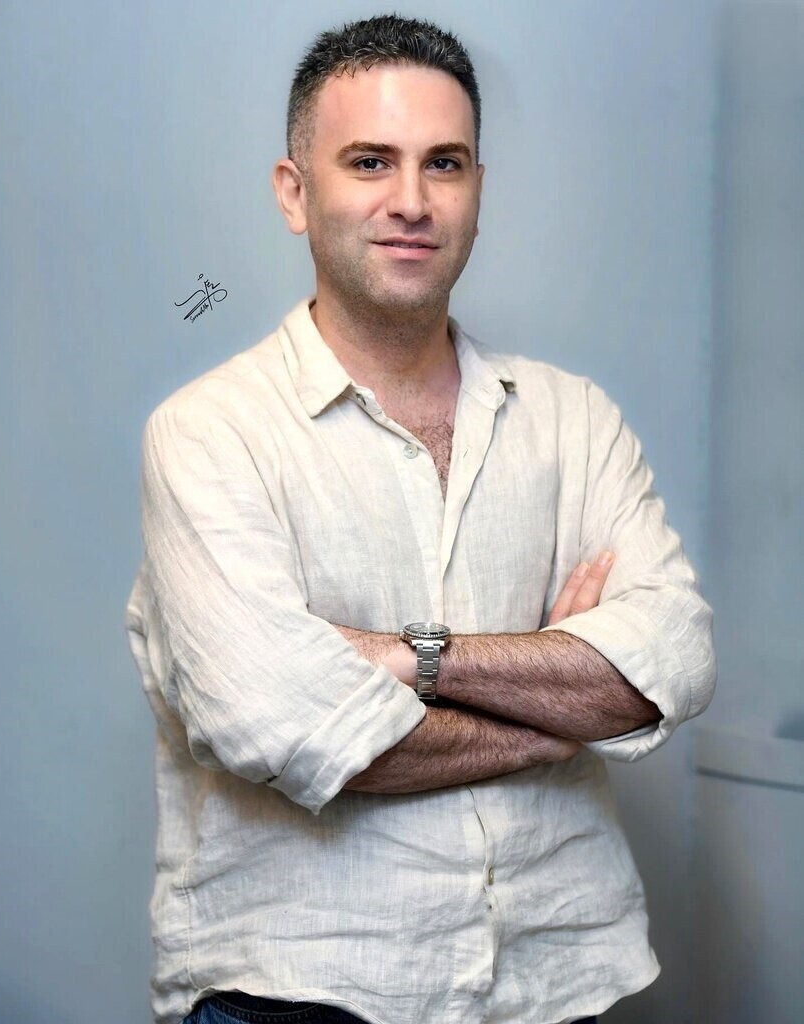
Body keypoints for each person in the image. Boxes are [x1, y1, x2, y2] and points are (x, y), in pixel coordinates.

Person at [125, 14, 715, 1024]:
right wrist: (560, 711)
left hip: (556, 985)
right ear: (294, 192)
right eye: (369, 161)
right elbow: (284, 727)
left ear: (478, 188)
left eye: (443, 163)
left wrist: (405, 660)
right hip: (302, 997)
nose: (411, 200)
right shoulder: (207, 435)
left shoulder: (575, 420)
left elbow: (676, 660)